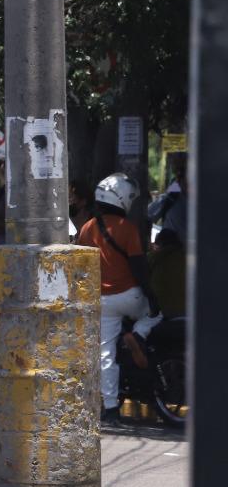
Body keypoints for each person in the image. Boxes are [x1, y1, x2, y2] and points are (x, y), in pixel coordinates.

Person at [77, 173, 151, 424]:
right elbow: (139, 267)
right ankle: (138, 335)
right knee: (154, 315)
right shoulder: (127, 229)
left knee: (105, 353)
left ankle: (110, 408)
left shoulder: (87, 228)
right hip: (130, 296)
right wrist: (153, 297)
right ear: (121, 199)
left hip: (103, 301)